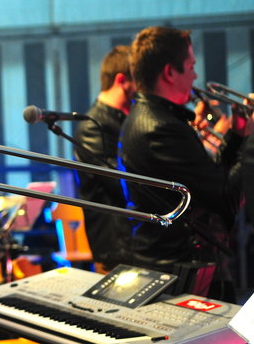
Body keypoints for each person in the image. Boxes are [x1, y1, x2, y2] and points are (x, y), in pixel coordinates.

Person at [118, 26, 250, 302]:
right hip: (179, 274)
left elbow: (212, 180)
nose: (195, 76)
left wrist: (238, 135)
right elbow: (225, 197)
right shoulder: (160, 126)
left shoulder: (156, 117)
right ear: (169, 72)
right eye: (191, 67)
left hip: (180, 266)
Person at [73, 45, 135, 272]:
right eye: (139, 80)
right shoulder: (93, 126)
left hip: (132, 245)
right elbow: (121, 185)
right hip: (116, 252)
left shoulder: (121, 119)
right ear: (121, 80)